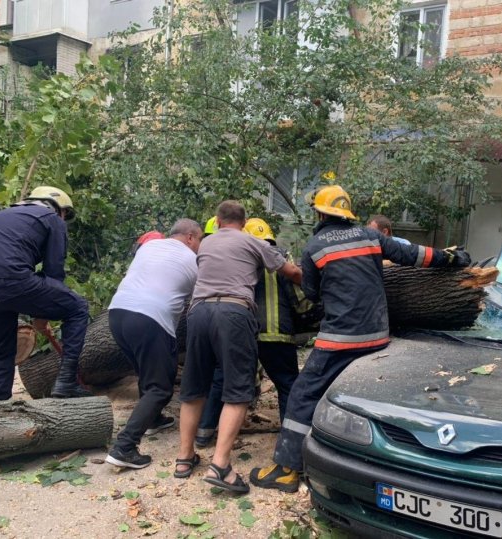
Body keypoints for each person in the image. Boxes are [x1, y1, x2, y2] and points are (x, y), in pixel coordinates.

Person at [250, 185, 471, 492]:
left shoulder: (315, 247)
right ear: (347, 212)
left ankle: (287, 468)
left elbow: (312, 294)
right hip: (378, 337)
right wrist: (450, 258)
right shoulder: (371, 236)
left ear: (320, 212)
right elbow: (411, 254)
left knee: (302, 394)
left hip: (338, 339)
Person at [175, 201, 301, 494]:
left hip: (198, 313)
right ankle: (220, 465)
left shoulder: (204, 245)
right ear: (243, 223)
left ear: (217, 222)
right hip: (233, 312)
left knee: (194, 387)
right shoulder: (251, 241)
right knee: (238, 389)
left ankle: (184, 458)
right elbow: (291, 272)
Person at [0, 186, 90, 401]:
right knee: (78, 308)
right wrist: (42, 316)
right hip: (11, 280)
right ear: (59, 208)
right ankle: (66, 382)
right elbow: (54, 272)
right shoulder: (51, 218)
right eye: (65, 215)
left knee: (0, 351)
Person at [195, 217, 303, 448]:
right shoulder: (280, 255)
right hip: (277, 333)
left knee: (223, 377)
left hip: (241, 331)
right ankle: (289, 440)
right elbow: (297, 294)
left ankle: (204, 432)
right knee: (287, 385)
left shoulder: (240, 255)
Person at [104, 219, 202, 469]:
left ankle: (153, 419)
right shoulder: (193, 260)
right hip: (150, 319)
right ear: (190, 237)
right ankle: (124, 447)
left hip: (116, 313)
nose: (200, 246)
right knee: (160, 387)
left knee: (145, 368)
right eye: (199, 240)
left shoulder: (149, 247)